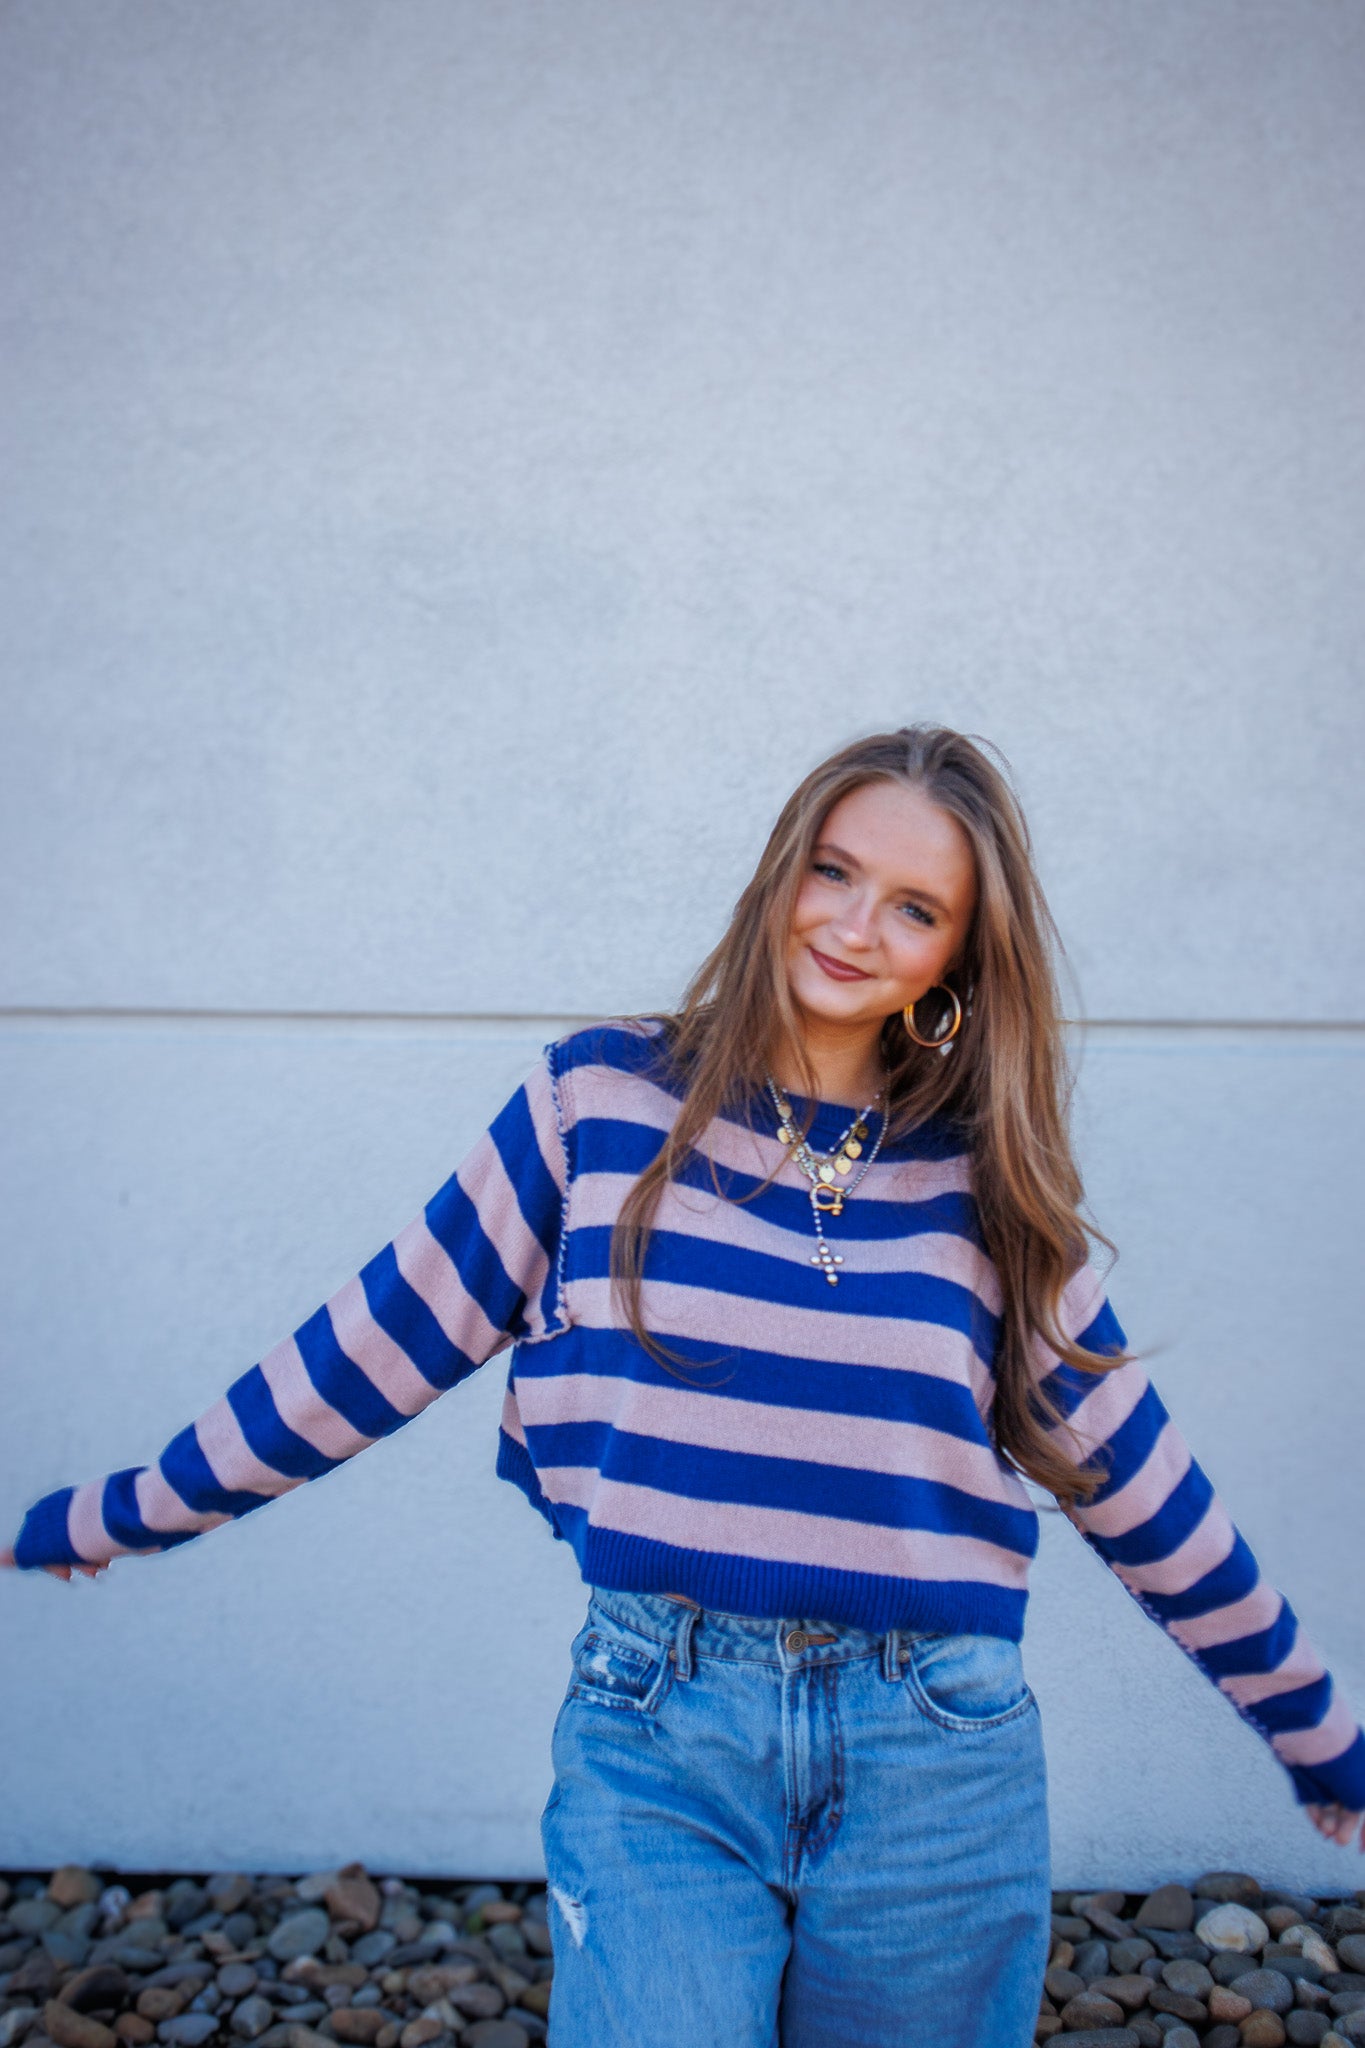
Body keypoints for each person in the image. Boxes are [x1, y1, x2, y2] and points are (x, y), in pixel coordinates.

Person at [4, 723, 1362, 2048]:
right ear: (781, 870)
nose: (854, 926)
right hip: (660, 1722)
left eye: (913, 908)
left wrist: (1312, 1727)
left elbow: (1140, 1483)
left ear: (956, 958)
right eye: (834, 871)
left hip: (937, 1752)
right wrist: (130, 1508)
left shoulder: (983, 1181)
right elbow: (374, 1343)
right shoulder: (600, 1101)